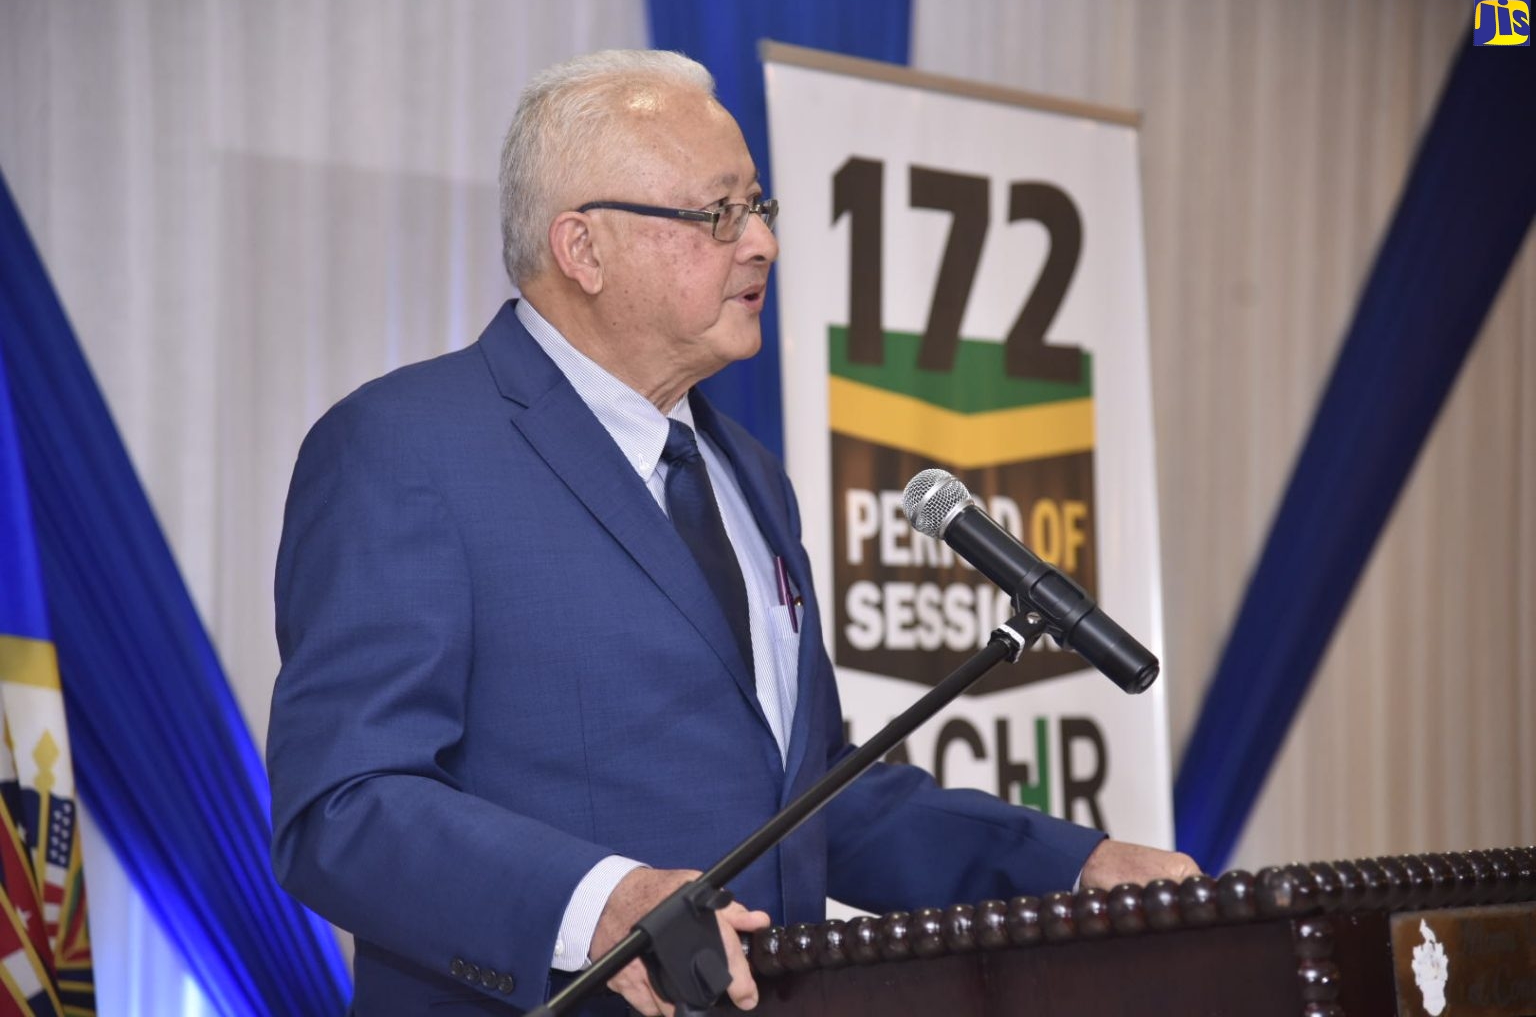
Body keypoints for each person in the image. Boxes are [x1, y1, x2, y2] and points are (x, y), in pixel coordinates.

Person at [267, 49, 1198, 1017]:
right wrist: (601, 906)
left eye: (761, 209)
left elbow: (812, 799)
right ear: (582, 248)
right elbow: (344, 806)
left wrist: (1069, 865)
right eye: (718, 214)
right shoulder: (406, 447)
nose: (761, 244)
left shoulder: (746, 472)